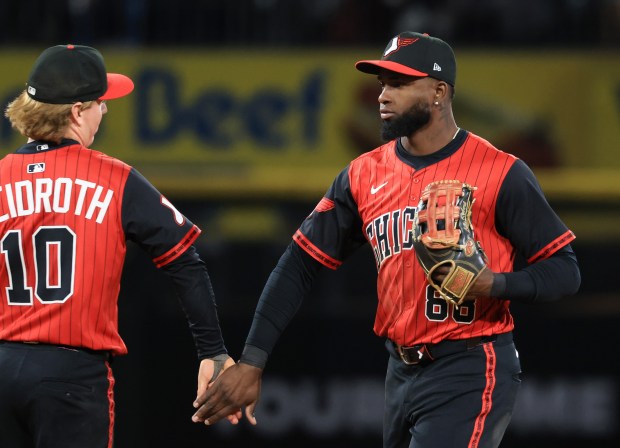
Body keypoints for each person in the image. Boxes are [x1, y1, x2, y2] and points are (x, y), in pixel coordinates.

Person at [192, 32, 581, 447]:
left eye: (398, 83)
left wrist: (495, 284)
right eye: (382, 83)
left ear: (438, 92)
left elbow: (565, 271)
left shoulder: (501, 172)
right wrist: (253, 360)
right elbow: (299, 264)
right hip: (400, 371)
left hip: (471, 363)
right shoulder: (364, 174)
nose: (382, 95)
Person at [0, 44, 234, 448]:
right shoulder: (114, 178)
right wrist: (212, 351)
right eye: (99, 102)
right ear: (76, 111)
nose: (104, 110)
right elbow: (186, 262)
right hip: (71, 375)